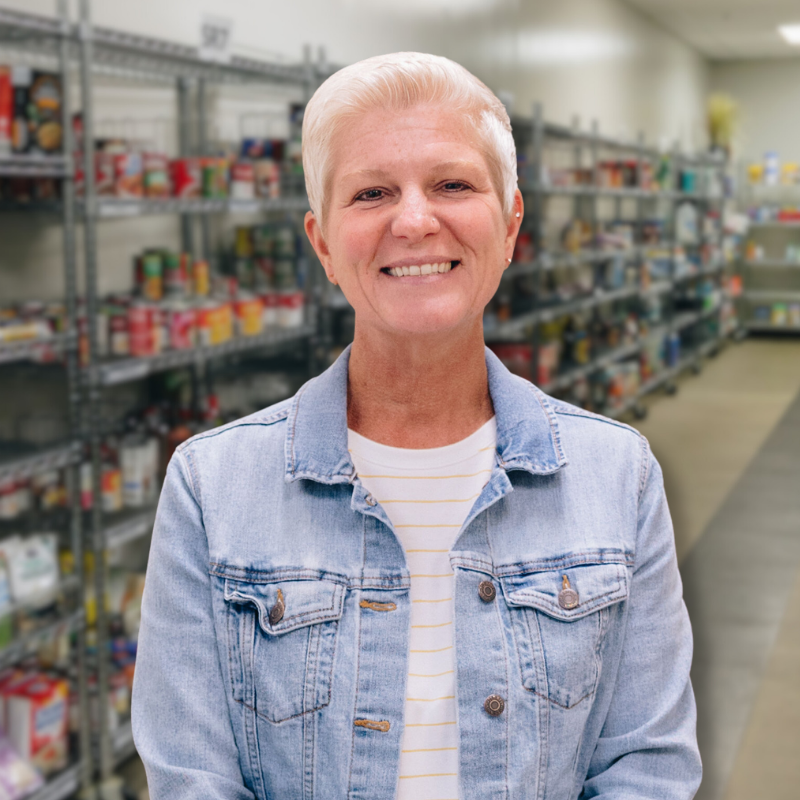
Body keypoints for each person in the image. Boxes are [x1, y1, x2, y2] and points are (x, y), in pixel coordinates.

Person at [132, 52, 702, 800]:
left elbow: (648, 766)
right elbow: (191, 778)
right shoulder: (212, 487)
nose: (413, 220)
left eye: (452, 184)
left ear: (510, 224)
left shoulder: (616, 475)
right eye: (371, 192)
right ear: (324, 244)